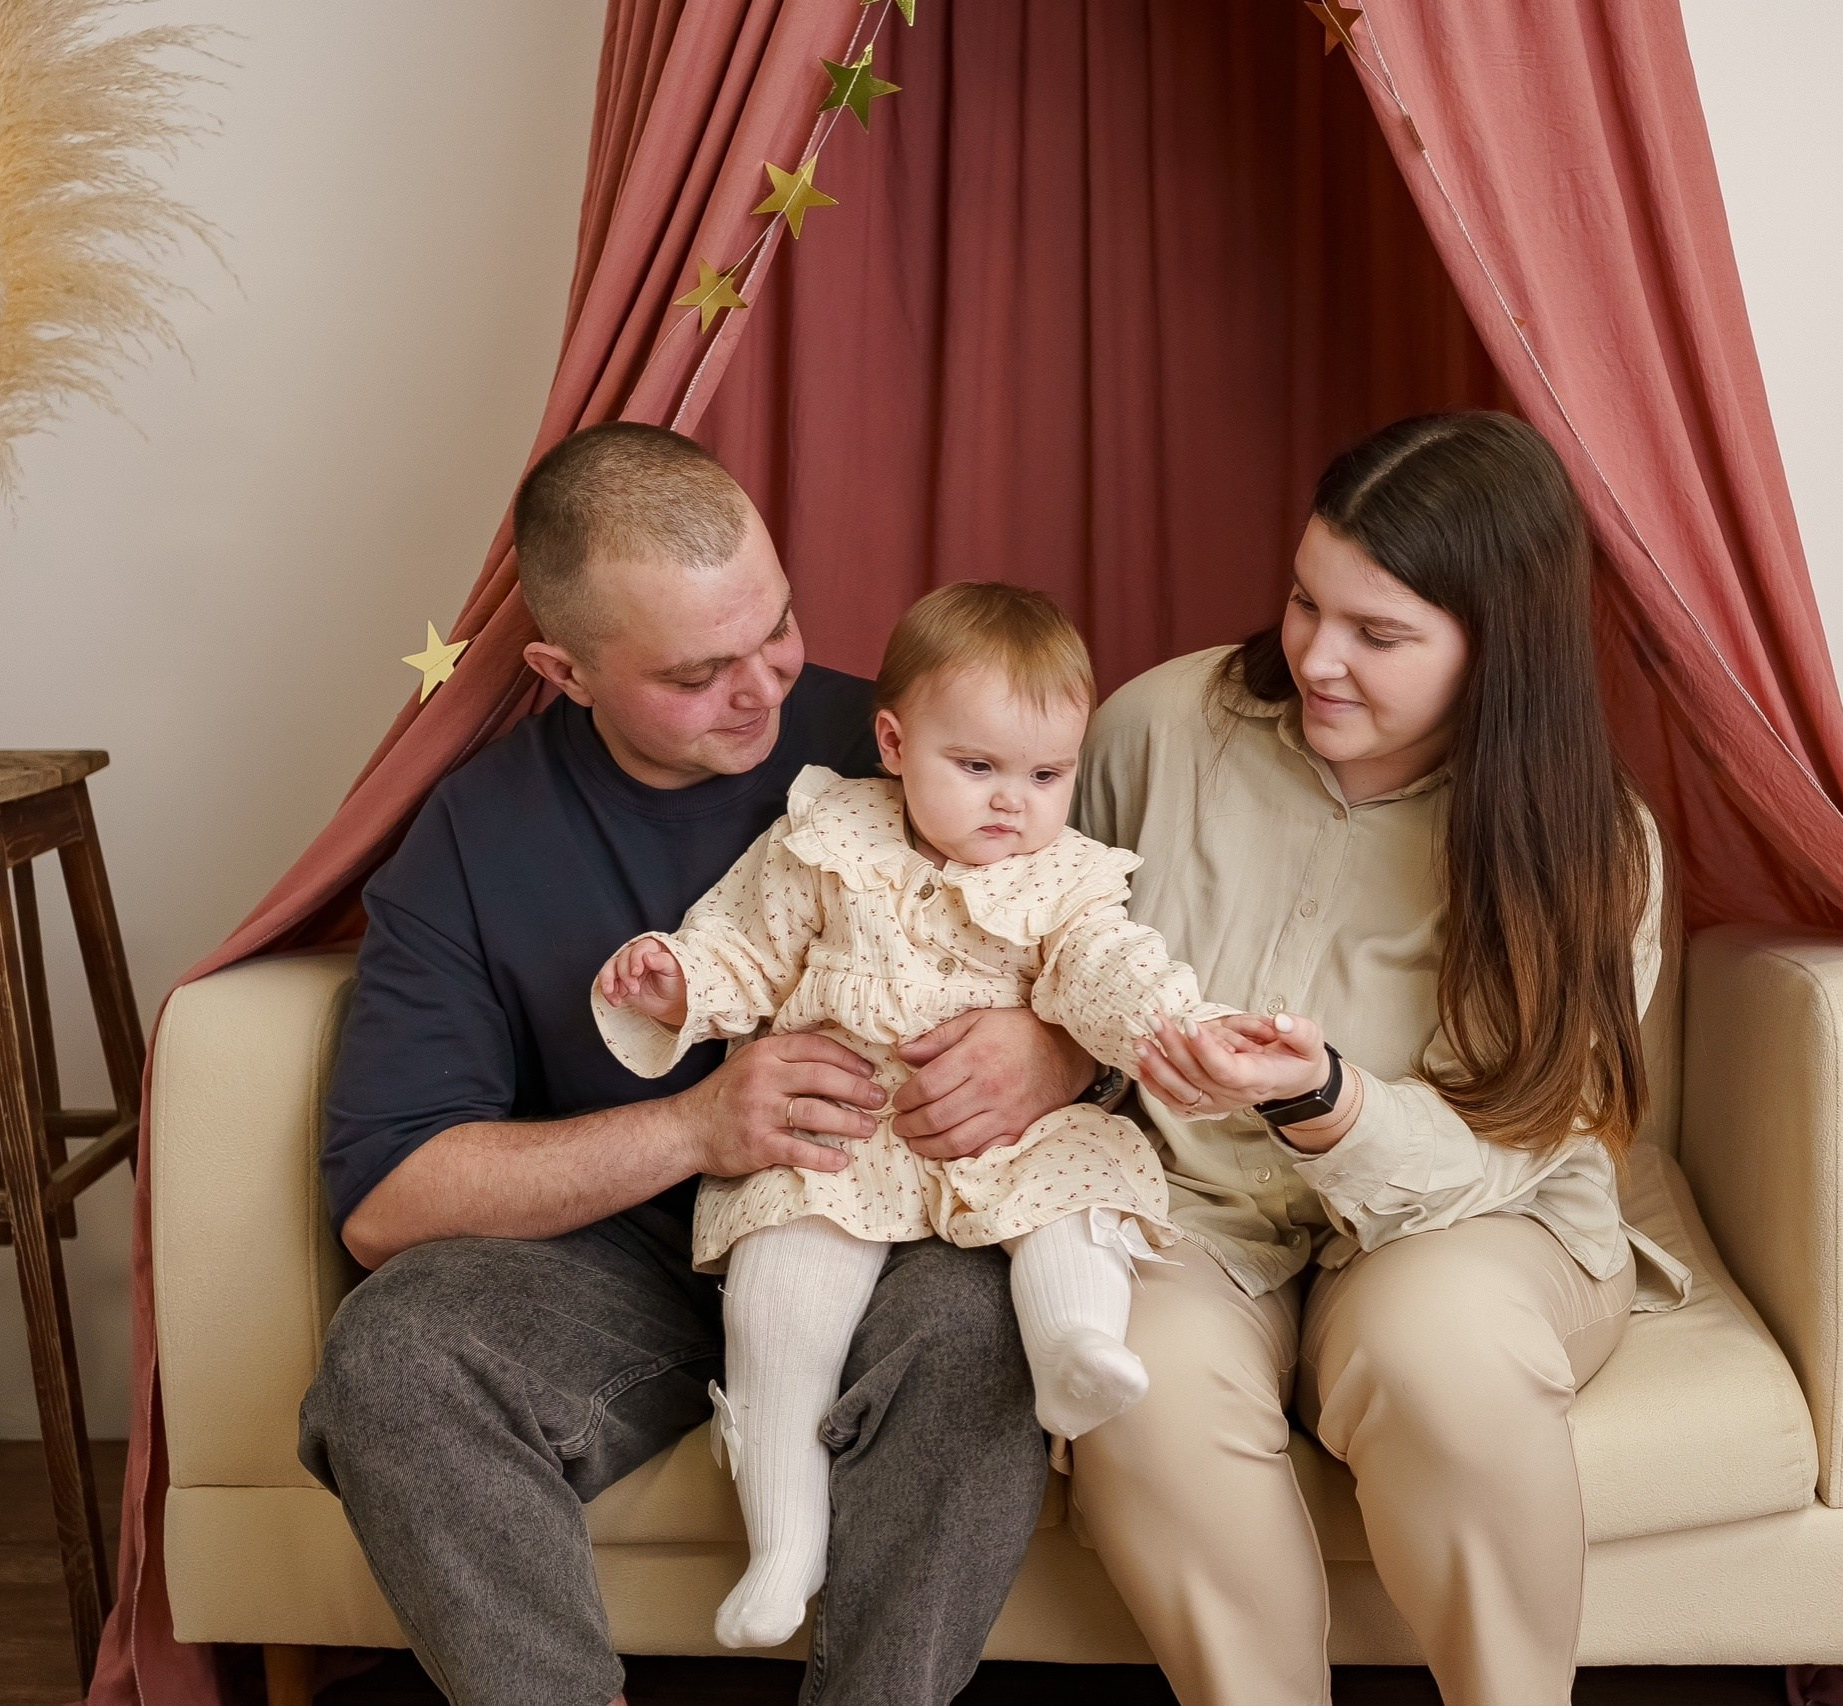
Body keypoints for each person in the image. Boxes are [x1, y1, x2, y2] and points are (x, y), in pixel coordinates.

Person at [296, 425, 1101, 1706]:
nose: (764, 689)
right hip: (625, 1265)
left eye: (774, 629)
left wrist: (1050, 1051)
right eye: (696, 672)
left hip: (892, 1229)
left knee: (973, 1323)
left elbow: (1100, 949)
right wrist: (692, 1127)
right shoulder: (475, 831)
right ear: (564, 671)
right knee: (394, 1350)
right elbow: (392, 1199)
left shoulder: (914, 736)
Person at [1064, 411, 1692, 1706]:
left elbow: (1513, 1145)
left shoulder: (1590, 843)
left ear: (1497, 651)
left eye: (1379, 633)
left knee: (1436, 1345)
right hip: (1188, 1207)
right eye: (1305, 601)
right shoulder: (1158, 729)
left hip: (1482, 1215)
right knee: (1135, 1372)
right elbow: (1031, 938)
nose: (1317, 657)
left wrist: (1328, 1098)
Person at [593, 582, 1239, 1650]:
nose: (1010, 803)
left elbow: (1110, 971)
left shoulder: (1064, 877)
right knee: (777, 1295)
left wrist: (1183, 1024)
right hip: (839, 1134)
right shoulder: (826, 838)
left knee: (1081, 1189)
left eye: (1045, 774)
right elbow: (746, 946)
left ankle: (1074, 1341)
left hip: (1007, 1137)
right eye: (977, 767)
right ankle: (784, 1541)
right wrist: (677, 980)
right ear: (894, 743)